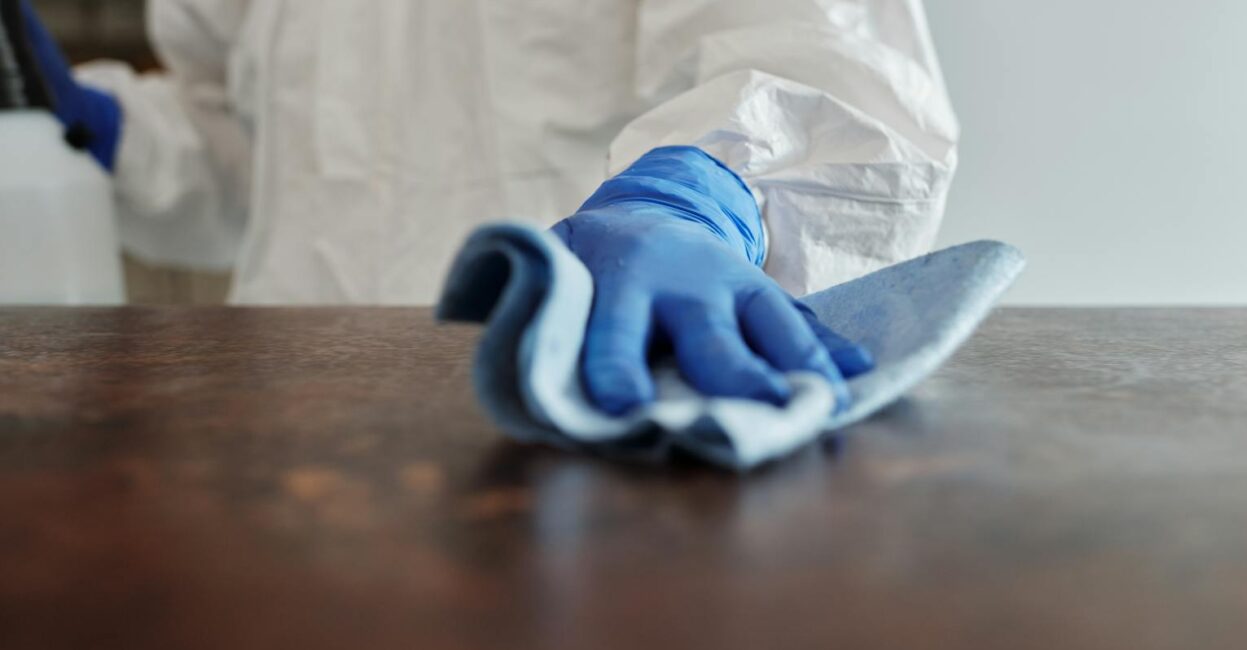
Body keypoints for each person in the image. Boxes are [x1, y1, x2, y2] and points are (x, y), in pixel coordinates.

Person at [19, 0, 958, 415]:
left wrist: (700, 192)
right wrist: (108, 129)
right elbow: (250, 169)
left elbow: (830, 67)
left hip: (594, 402)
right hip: (291, 433)